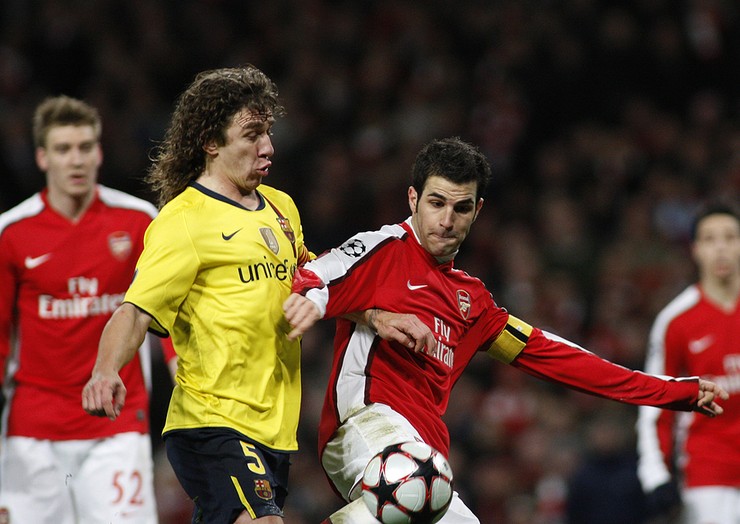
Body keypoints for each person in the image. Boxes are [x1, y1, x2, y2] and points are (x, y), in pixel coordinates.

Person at [282, 137, 728, 523]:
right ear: (414, 199)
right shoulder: (384, 250)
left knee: (432, 499)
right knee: (412, 486)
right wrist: (324, 304)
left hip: (428, 457)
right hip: (365, 430)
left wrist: (673, 391)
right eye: (436, 203)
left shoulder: (472, 303)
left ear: (477, 211)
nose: (446, 221)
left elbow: (561, 358)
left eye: (460, 208)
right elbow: (317, 273)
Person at [79, 65, 432, 524]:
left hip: (276, 432)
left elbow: (311, 281)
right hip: (213, 422)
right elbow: (135, 311)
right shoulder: (183, 220)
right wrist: (106, 369)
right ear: (211, 142)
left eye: (267, 132)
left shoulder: (281, 207)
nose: (268, 148)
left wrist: (374, 314)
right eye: (251, 135)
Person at [0, 95, 173, 523]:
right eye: (62, 149)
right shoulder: (12, 232)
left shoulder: (138, 221)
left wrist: (183, 378)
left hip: (116, 426)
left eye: (84, 147)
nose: (75, 160)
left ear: (99, 152)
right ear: (42, 157)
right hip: (32, 431)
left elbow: (170, 315)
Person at [636, 202, 740, 524]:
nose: (721, 248)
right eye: (710, 240)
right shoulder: (676, 320)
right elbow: (655, 399)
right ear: (695, 249)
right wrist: (655, 475)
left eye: (730, 238)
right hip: (707, 473)